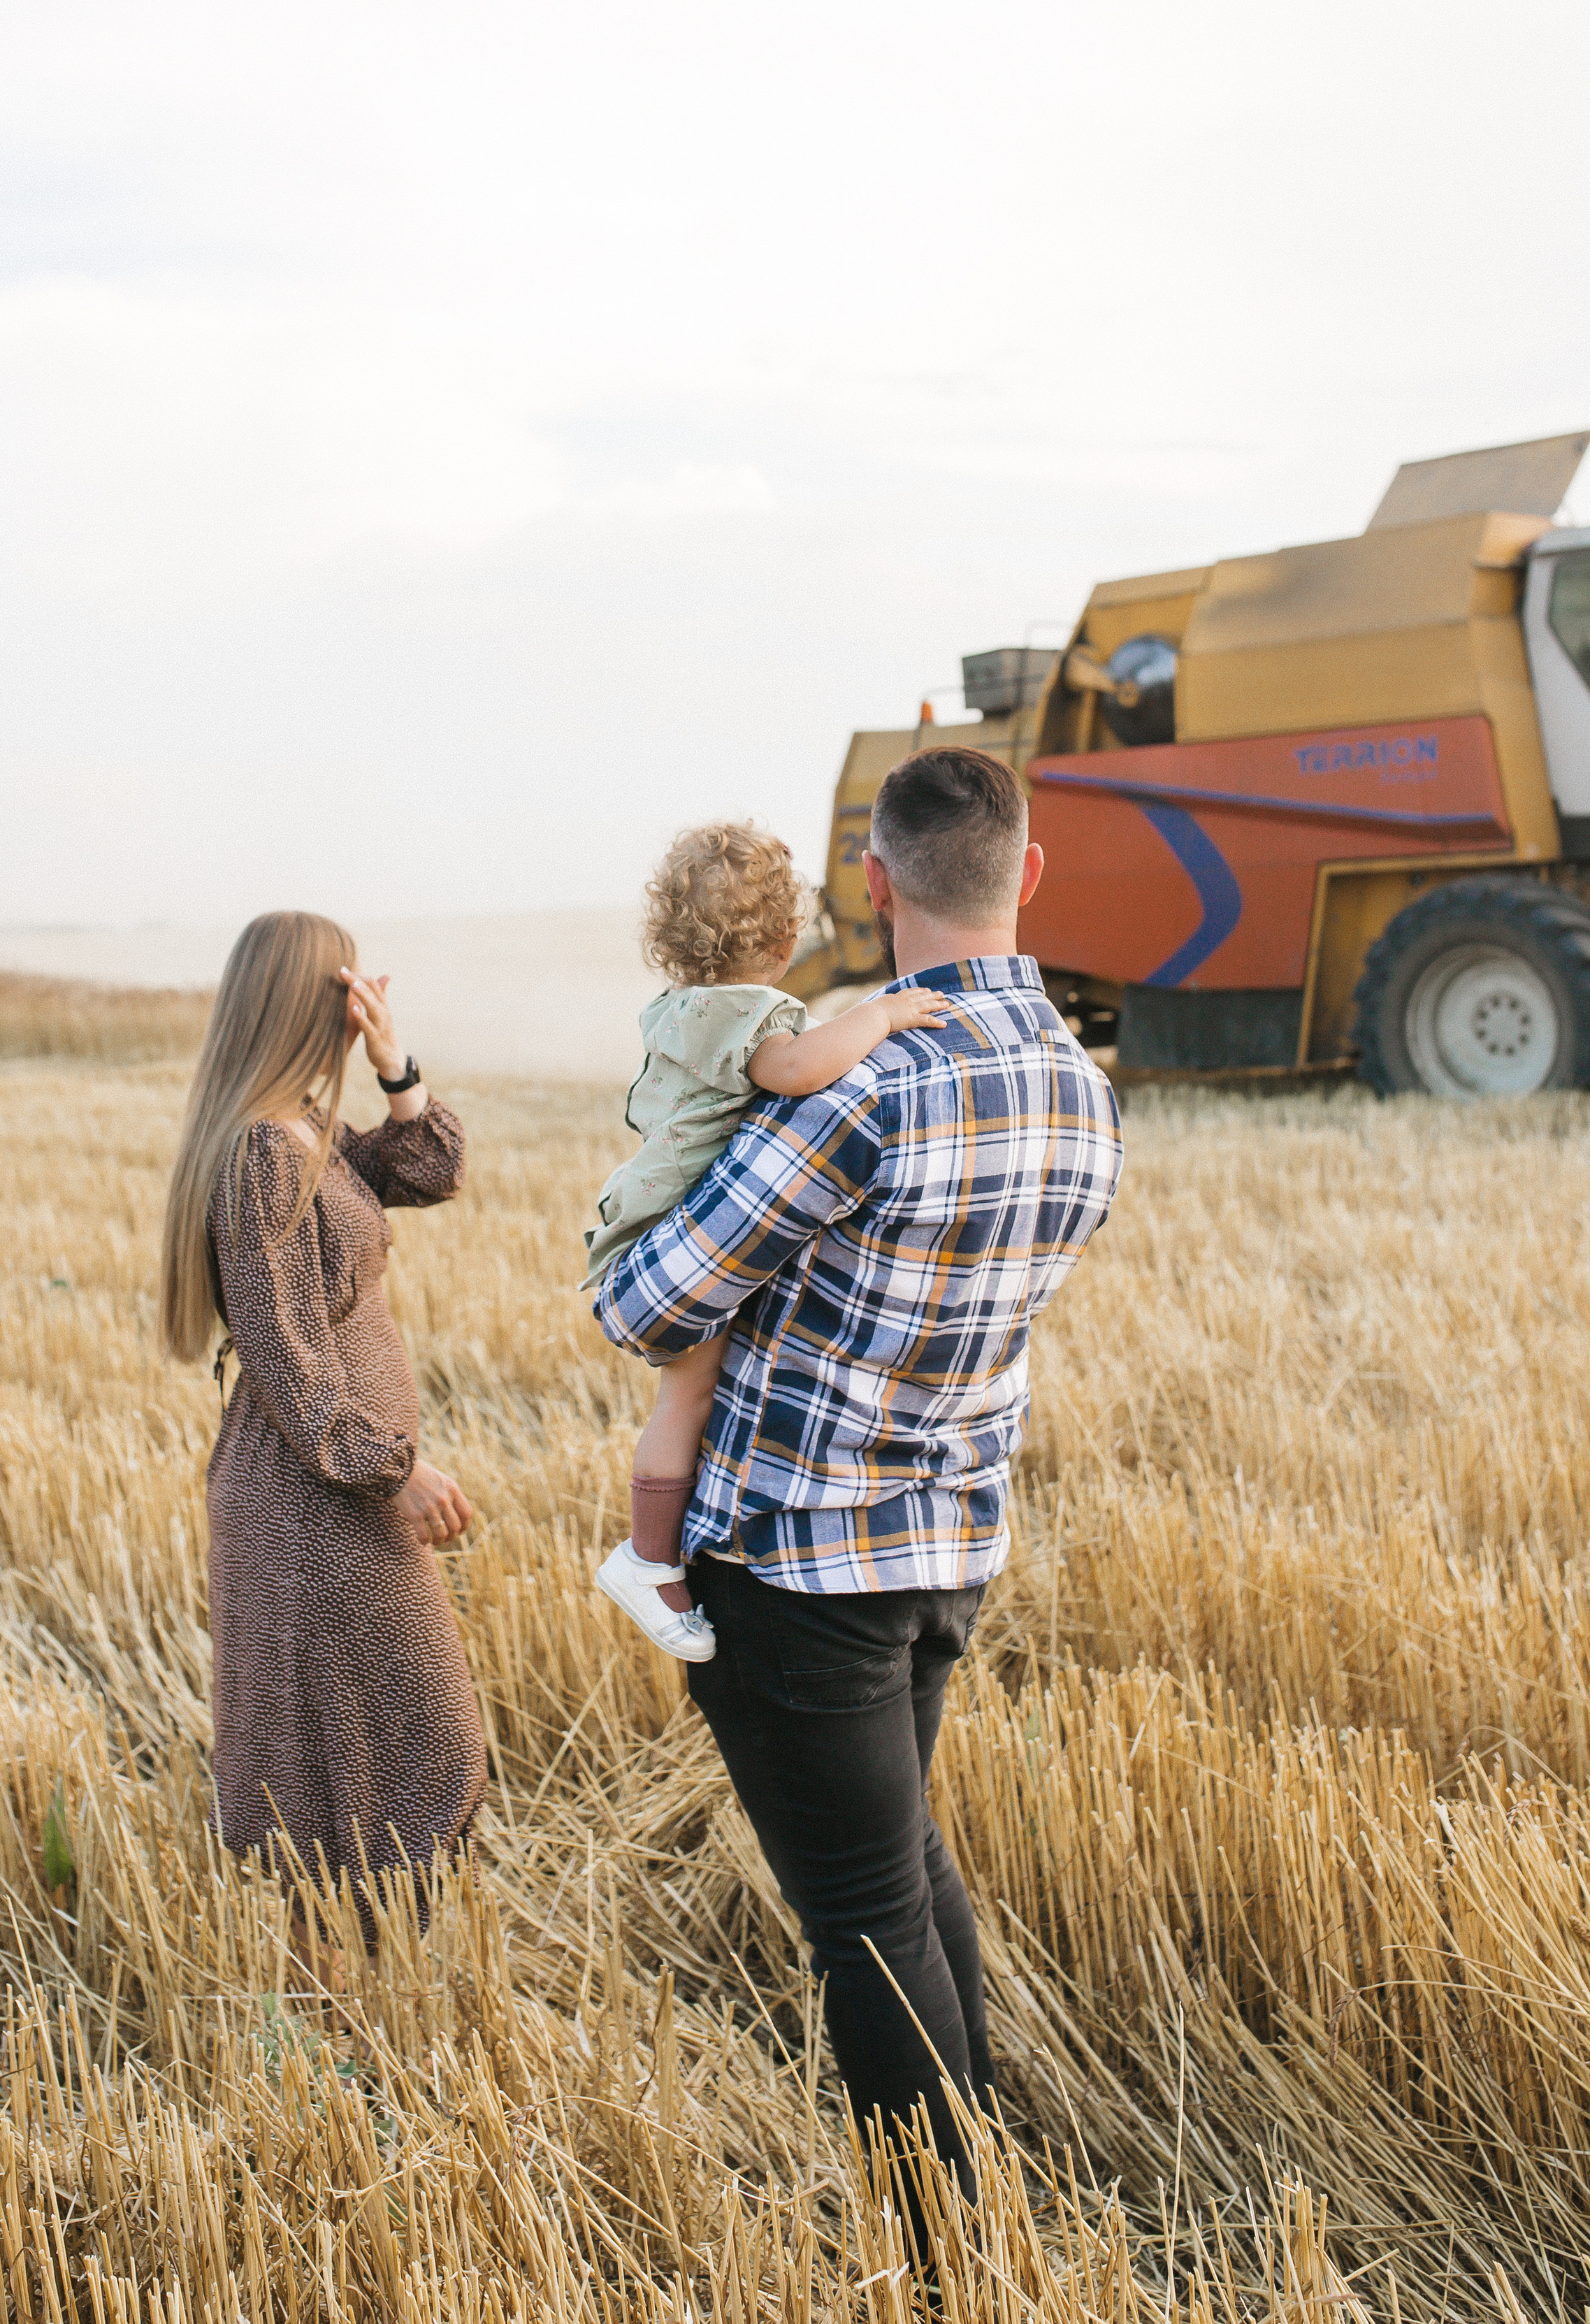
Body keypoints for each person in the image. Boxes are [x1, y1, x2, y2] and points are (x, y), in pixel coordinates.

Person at [593, 749, 1122, 2207]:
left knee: (859, 1919)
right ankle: (985, 2180)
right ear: (1023, 874)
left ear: (874, 886)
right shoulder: (1082, 1092)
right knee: (898, 1871)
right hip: (947, 1549)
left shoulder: (854, 1090)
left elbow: (643, 1306)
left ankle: (948, 2242)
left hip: (797, 1567)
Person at [159, 910, 485, 1953]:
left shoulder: (304, 1129)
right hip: (310, 1497)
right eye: (347, 992)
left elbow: (431, 1168)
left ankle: (364, 1985)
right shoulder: (262, 1150)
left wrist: (396, 1064)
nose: (361, 1006)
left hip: (332, 1492)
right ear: (312, 1000)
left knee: (379, 1750)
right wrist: (393, 1470)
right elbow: (286, 1355)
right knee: (392, 1745)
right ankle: (340, 1998)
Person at [585, 821, 949, 1659]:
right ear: (787, 942)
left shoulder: (688, 1006)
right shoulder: (749, 1016)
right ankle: (647, 1557)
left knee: (695, 1394)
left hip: (658, 1210)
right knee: (690, 1395)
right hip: (671, 1228)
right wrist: (880, 1015)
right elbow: (794, 1069)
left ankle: (660, 1549)